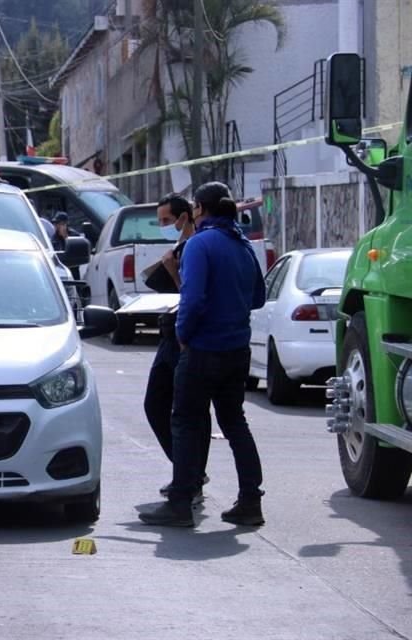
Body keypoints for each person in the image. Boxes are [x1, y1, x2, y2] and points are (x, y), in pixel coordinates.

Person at [139, 182, 266, 528]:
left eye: (194, 208)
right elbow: (258, 298)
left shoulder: (199, 245)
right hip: (237, 350)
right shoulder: (244, 246)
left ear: (200, 210)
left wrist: (183, 335)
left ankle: (181, 502)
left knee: (184, 421)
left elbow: (192, 301)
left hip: (203, 349)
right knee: (235, 423)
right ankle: (251, 501)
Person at [142, 194, 211, 503]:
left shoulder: (198, 247)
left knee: (192, 411)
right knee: (155, 404)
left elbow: (195, 296)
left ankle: (190, 478)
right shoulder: (182, 247)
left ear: (186, 217)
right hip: (169, 331)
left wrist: (172, 271)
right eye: (159, 222)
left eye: (167, 221)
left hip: (188, 338)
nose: (163, 227)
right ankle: (189, 471)